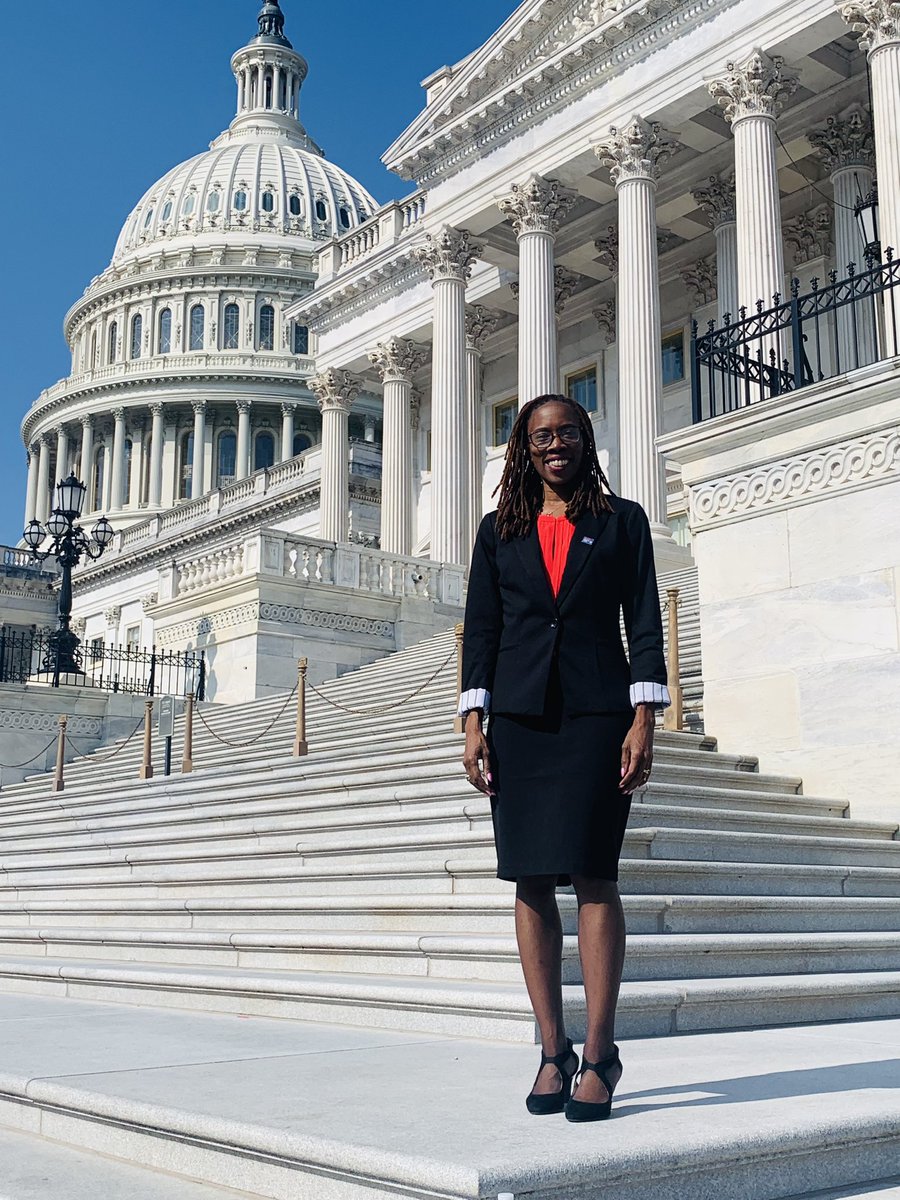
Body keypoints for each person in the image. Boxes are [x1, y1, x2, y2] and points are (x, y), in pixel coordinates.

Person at [459, 394, 669, 1122]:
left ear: (586, 441)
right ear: (524, 447)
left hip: (595, 715)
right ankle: (553, 1049)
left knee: (594, 876)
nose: (556, 445)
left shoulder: (621, 522)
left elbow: (643, 619)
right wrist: (472, 721)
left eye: (569, 433)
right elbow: (480, 629)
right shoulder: (497, 532)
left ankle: (602, 1051)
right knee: (528, 881)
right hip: (518, 720)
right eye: (542, 435)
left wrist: (644, 716)